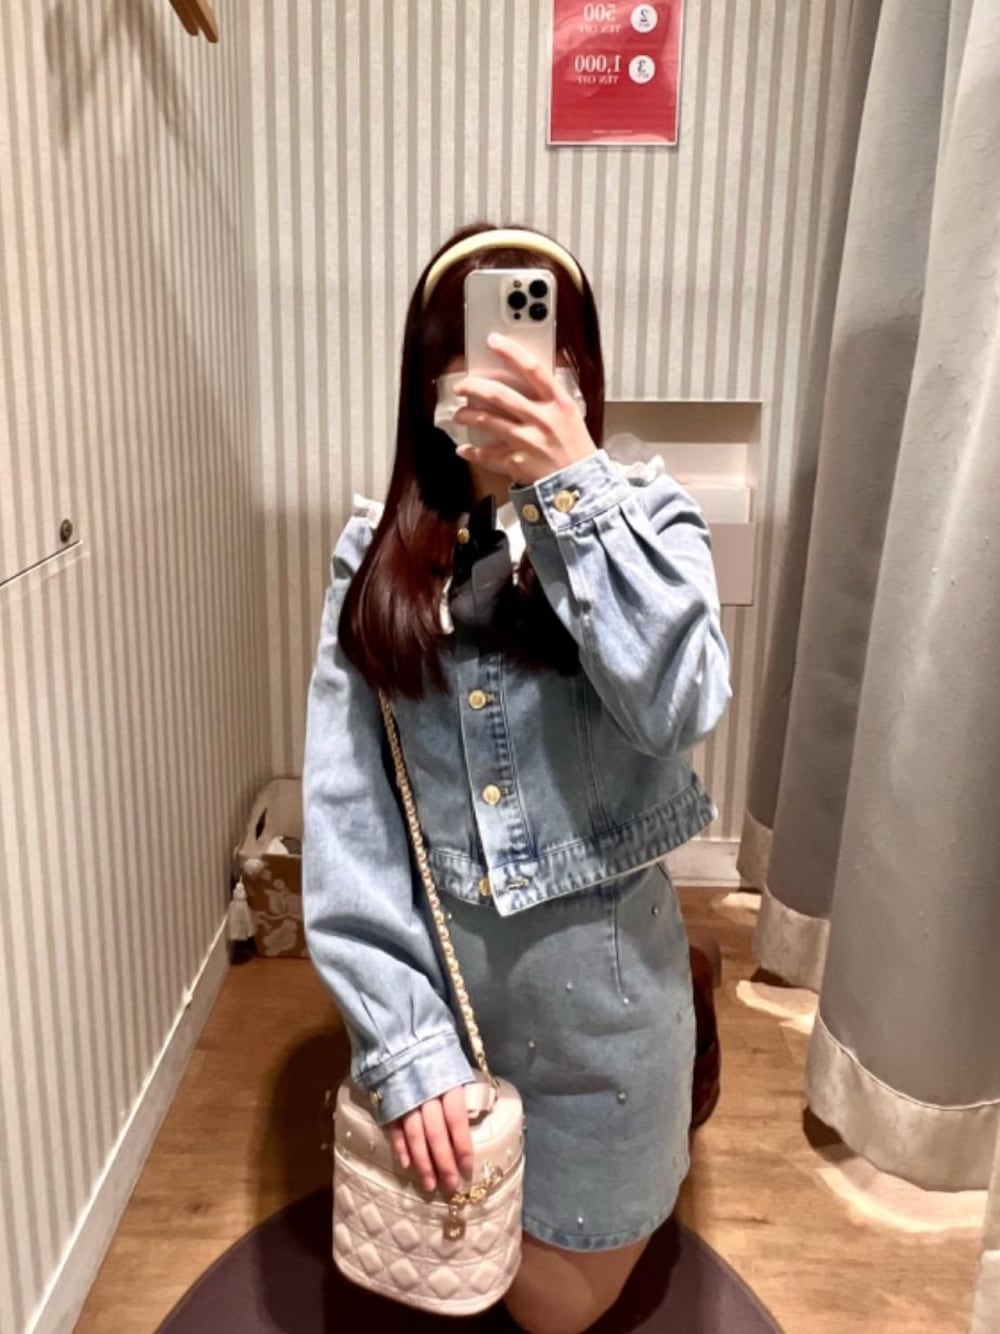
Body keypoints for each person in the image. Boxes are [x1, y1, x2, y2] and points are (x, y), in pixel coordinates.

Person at [302, 222, 732, 1334]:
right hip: (443, 1000)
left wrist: (574, 492)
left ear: (577, 368)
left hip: (606, 1022)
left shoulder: (651, 519)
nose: (500, 370)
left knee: (554, 1309)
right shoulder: (375, 558)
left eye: (532, 343)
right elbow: (349, 820)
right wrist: (404, 1044)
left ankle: (687, 1033)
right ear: (427, 383)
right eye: (467, 347)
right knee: (446, 1262)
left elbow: (682, 706)